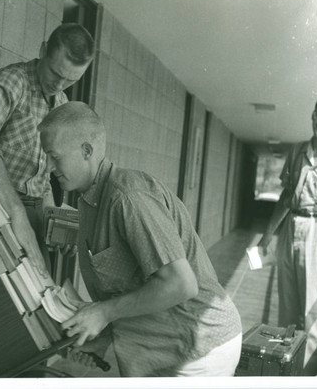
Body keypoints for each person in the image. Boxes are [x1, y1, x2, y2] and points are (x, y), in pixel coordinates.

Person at [38, 101, 242, 377]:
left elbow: (180, 284)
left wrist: (102, 314)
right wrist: (103, 335)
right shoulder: (91, 199)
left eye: (54, 156)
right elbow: (129, 285)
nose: (48, 166)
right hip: (165, 344)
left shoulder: (127, 197)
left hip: (199, 347)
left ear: (86, 151)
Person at [0, 23, 94, 273]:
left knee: (38, 298)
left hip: (31, 212)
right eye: (55, 72)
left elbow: (42, 179)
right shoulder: (12, 81)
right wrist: (16, 210)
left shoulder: (62, 103)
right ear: (43, 50)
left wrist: (55, 224)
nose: (59, 84)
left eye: (71, 79)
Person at [258, 92, 317, 375]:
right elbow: (286, 197)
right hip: (291, 230)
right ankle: (288, 371)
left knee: (315, 313)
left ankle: (307, 375)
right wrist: (267, 235)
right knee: (288, 309)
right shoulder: (297, 151)